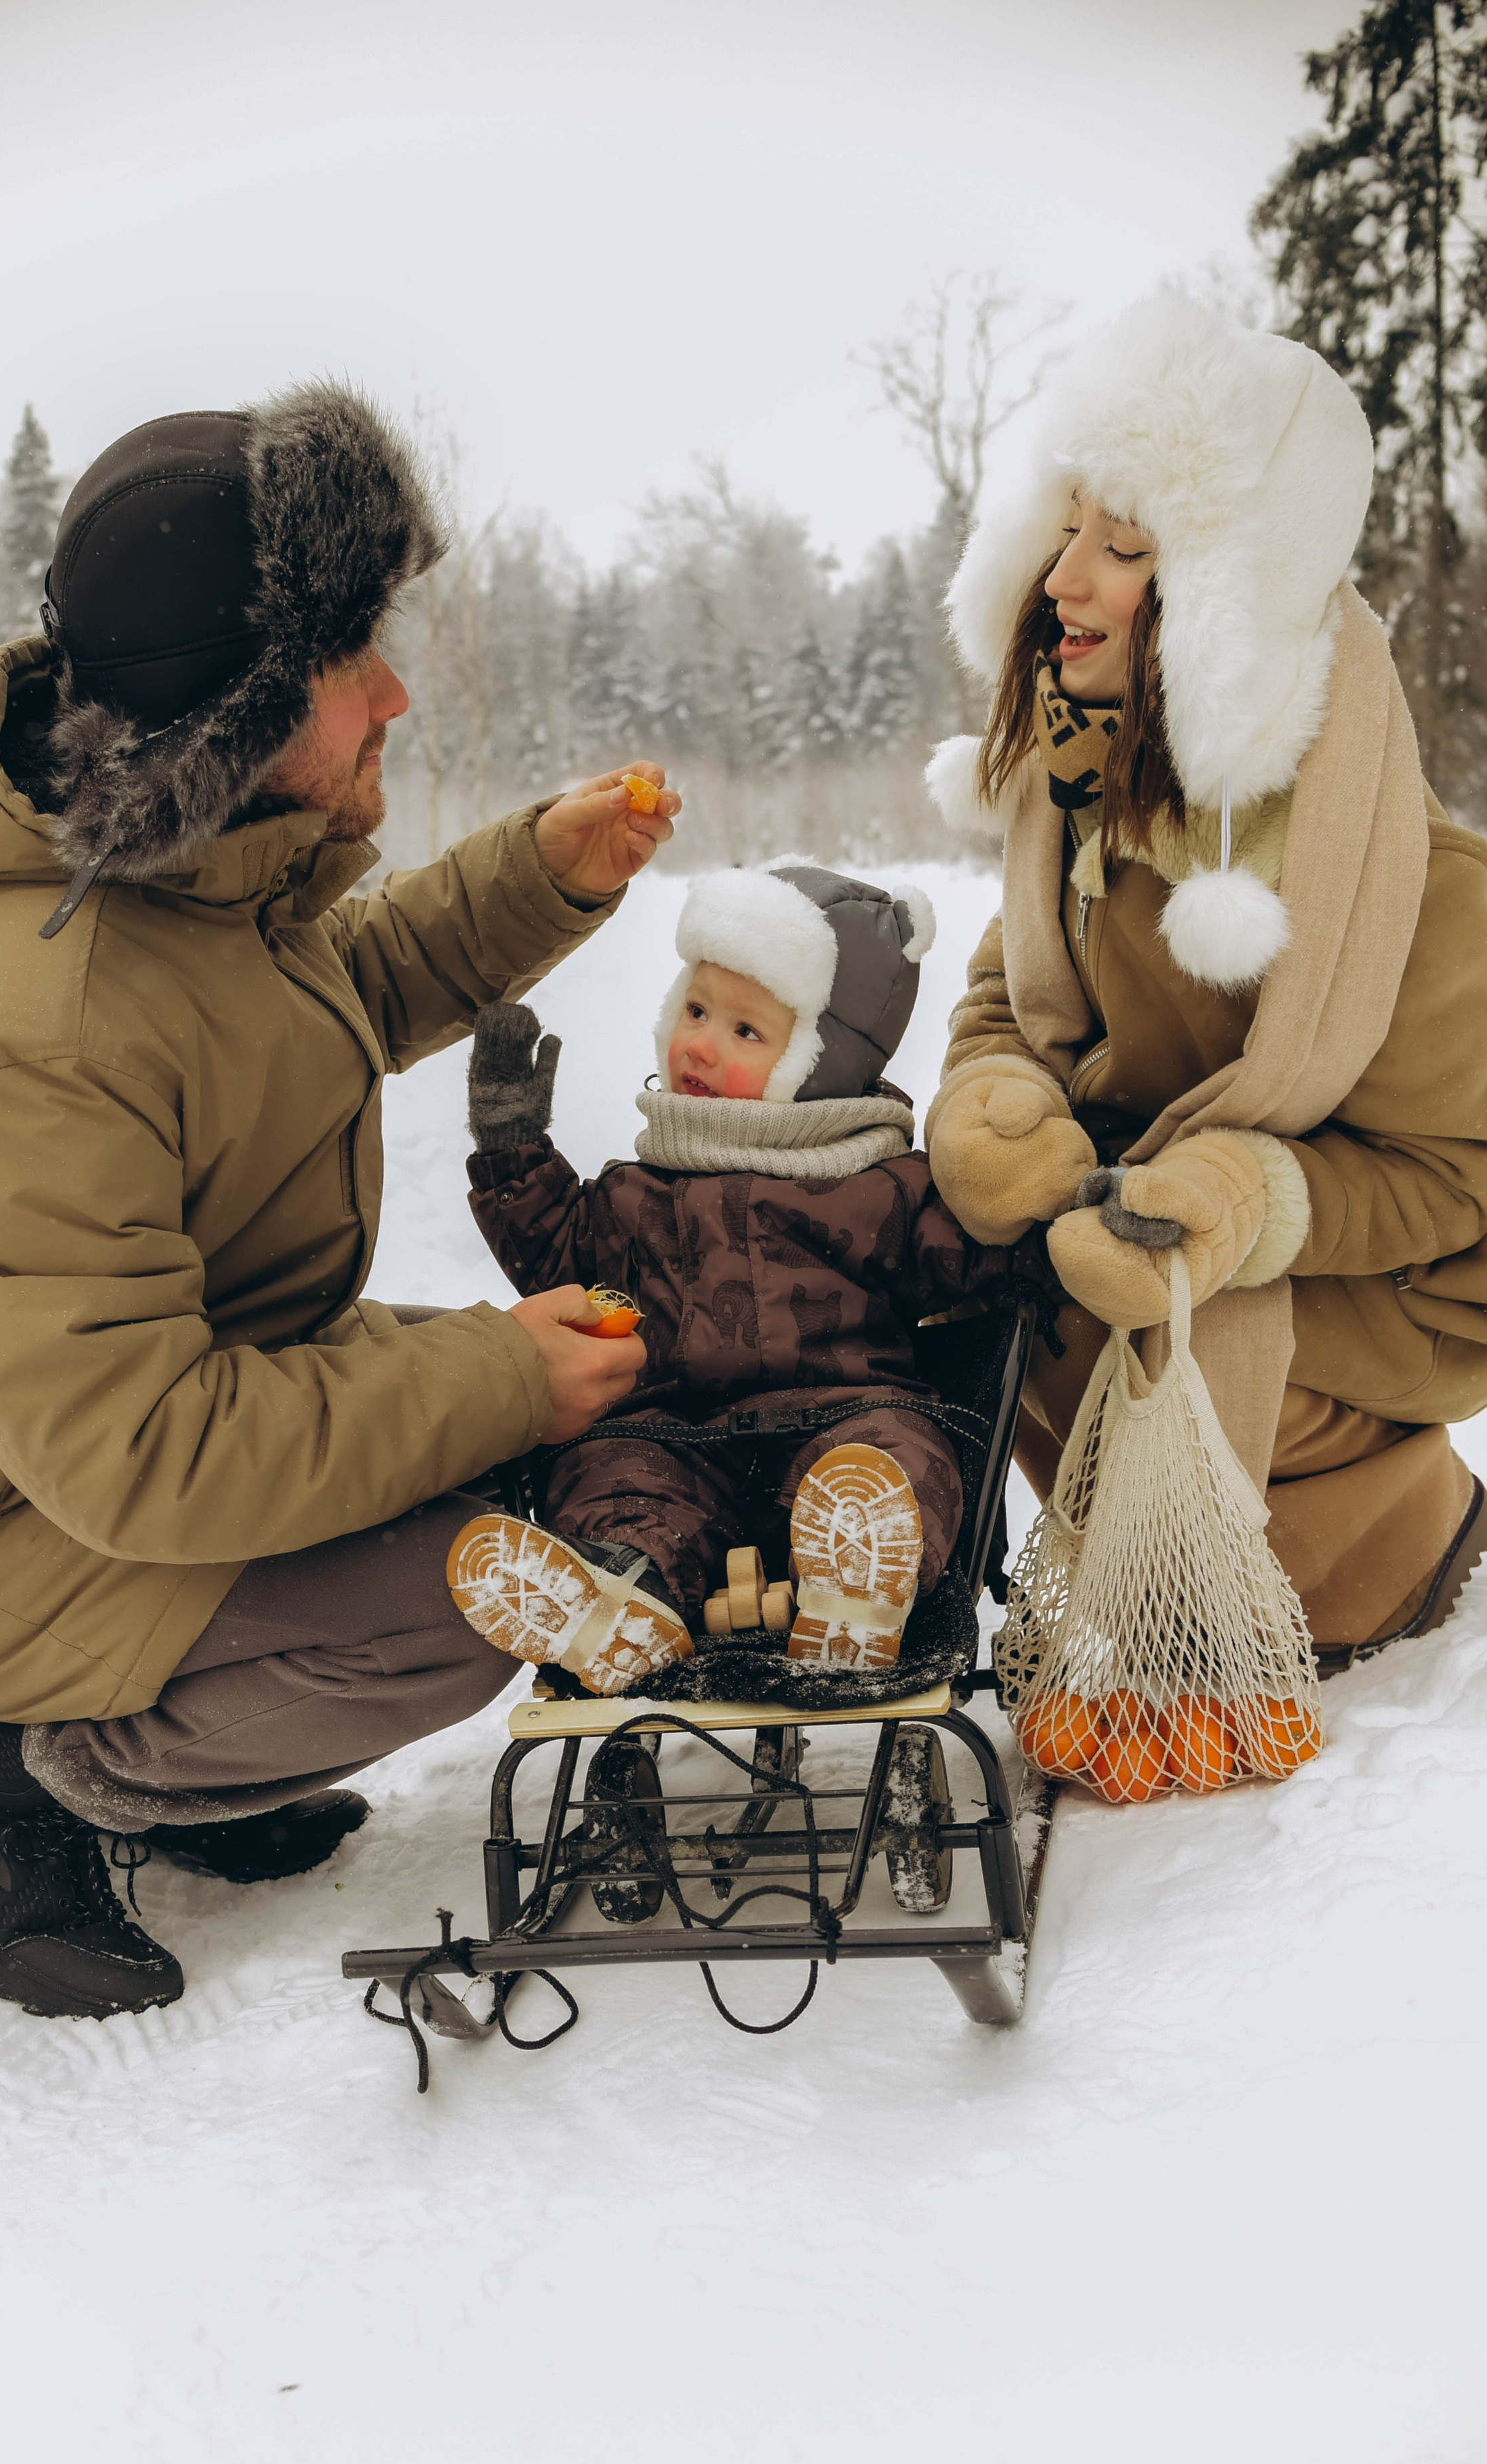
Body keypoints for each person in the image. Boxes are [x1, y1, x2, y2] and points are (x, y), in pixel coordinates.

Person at [0, 386, 680, 2022]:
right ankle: (19, 1788)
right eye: (352, 661)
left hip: (70, 1427)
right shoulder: (36, 1030)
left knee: (506, 1454)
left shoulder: (189, 868)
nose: (395, 688)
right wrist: (496, 1368)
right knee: (468, 1592)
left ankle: (205, 1736)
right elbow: (151, 1451)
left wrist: (537, 874)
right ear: (240, 710)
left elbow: (308, 1012)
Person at [922, 295, 1487, 1676]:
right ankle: (1133, 1566)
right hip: (1132, 1219)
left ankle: (1373, 1552)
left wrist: (1248, 1203)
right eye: (1064, 530)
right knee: (955, 1278)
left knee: (1145, 1317)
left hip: (1387, 1294)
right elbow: (1009, 991)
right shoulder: (1080, 790)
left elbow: (1453, 1186)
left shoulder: (1425, 886)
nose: (1065, 577)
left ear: (1225, 600)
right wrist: (993, 1093)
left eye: (1122, 548)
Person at [445, 864, 1053, 1694]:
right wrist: (511, 1144)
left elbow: (980, 1254)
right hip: (668, 1440)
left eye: (745, 1032)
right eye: (695, 1011)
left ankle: (855, 1584)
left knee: (902, 1457)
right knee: (610, 1477)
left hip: (844, 1423)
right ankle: (622, 1592)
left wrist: (1052, 1210)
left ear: (821, 1060)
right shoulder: (635, 1190)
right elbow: (556, 1258)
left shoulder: (884, 1187)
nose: (699, 1044)